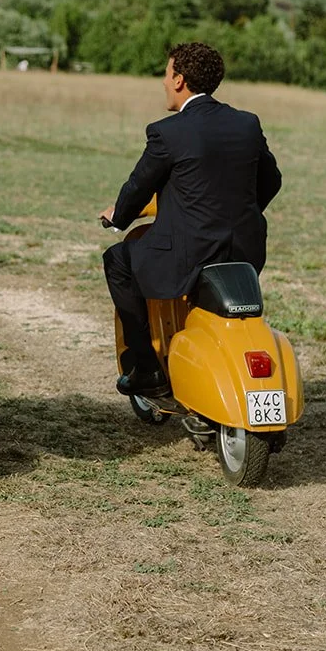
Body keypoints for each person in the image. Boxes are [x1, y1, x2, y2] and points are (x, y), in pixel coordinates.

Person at [100, 42, 282, 394]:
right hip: (244, 250)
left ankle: (146, 368)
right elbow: (271, 181)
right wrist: (238, 212)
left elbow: (139, 186)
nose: (164, 82)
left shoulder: (168, 132)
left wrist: (118, 217)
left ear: (179, 80)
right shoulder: (246, 123)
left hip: (188, 255)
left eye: (166, 74)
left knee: (117, 260)